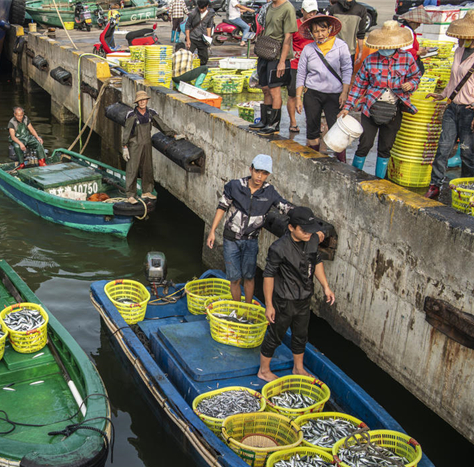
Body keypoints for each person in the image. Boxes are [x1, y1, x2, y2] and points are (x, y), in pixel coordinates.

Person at [207, 155, 323, 305]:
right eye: (257, 172)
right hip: (231, 239)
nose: (260, 177)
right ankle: (237, 308)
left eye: (264, 173)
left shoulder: (269, 192)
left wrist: (311, 226)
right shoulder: (235, 186)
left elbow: (287, 208)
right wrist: (212, 231)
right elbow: (222, 206)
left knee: (249, 277)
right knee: (234, 278)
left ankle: (247, 309)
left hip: (251, 241)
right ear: (251, 169)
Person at [257, 206, 335, 382]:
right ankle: (263, 370)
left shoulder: (313, 239)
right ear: (291, 228)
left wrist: (326, 286)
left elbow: (316, 262)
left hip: (304, 298)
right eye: (304, 230)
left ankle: (298, 368)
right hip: (284, 299)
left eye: (310, 229)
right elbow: (268, 275)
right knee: (276, 334)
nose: (308, 233)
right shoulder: (279, 248)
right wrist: (269, 305)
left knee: (301, 334)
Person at [339, 21, 421, 178]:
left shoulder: (407, 58)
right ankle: (355, 177)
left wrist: (410, 84)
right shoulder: (370, 60)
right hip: (370, 107)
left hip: (394, 108)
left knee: (385, 147)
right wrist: (347, 107)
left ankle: (380, 180)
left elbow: (416, 77)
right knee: (365, 144)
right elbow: (358, 86)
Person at [425, 10, 474, 199]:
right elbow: (455, 80)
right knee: (443, 148)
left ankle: (466, 189)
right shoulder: (459, 51)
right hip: (453, 109)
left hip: (471, 110)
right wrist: (442, 95)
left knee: (468, 152)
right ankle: (435, 185)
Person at [295, 15, 353, 162]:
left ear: (329, 29)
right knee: (312, 129)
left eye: (323, 30)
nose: (320, 34)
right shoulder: (308, 49)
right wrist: (298, 97)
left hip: (334, 94)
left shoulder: (341, 46)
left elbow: (347, 69)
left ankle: (341, 163)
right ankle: (315, 161)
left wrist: (345, 92)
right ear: (311, 33)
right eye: (316, 31)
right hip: (312, 93)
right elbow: (301, 73)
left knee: (337, 130)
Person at [121, 91, 184, 203]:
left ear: (147, 101)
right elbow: (126, 132)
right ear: (137, 102)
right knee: (132, 169)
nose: (142, 102)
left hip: (147, 143)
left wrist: (174, 135)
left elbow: (162, 126)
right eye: (140, 100)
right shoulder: (131, 115)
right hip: (134, 145)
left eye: (144, 100)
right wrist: (125, 147)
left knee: (147, 168)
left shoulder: (151, 113)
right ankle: (130, 195)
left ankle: (147, 191)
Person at [249, 0, 298, 134]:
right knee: (265, 88)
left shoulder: (288, 8)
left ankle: (274, 124)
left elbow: (288, 38)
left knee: (274, 90)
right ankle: (265, 120)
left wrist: (282, 61)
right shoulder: (270, 7)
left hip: (278, 55)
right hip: (266, 51)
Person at [287, 0, 319, 133]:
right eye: (309, 11)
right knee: (293, 94)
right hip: (296, 64)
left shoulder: (318, 25)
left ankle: (312, 122)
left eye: (314, 12)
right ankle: (293, 122)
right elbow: (288, 43)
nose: (311, 14)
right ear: (302, 11)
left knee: (313, 95)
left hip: (314, 65)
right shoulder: (295, 24)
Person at [184, 0, 215, 66]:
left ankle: (200, 70)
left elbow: (209, 25)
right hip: (193, 38)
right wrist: (188, 40)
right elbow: (187, 26)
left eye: (202, 8)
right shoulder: (193, 13)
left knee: (204, 58)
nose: (201, 10)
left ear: (206, 6)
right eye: (199, 8)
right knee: (187, 57)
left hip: (203, 39)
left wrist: (208, 37)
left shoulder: (210, 13)